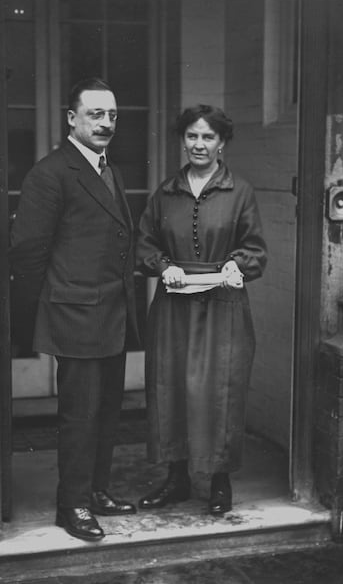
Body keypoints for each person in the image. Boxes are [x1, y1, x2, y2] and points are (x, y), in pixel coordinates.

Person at [9, 77, 139, 541]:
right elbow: (28, 252)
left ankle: (96, 490)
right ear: (72, 119)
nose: (106, 123)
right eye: (95, 114)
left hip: (112, 313)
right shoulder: (50, 174)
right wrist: (38, 317)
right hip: (76, 313)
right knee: (80, 416)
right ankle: (73, 505)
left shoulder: (109, 169)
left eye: (112, 115)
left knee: (106, 411)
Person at [135, 104, 267, 516]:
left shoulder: (240, 191)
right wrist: (164, 267)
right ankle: (176, 478)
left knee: (220, 391)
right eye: (192, 135)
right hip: (174, 307)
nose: (199, 144)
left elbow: (255, 249)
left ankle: (219, 481)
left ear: (222, 143)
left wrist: (236, 265)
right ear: (182, 140)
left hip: (222, 305)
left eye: (208, 136)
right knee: (171, 386)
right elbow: (145, 243)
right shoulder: (166, 192)